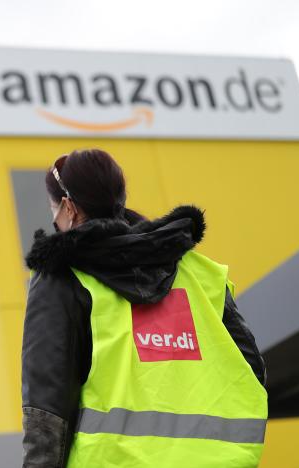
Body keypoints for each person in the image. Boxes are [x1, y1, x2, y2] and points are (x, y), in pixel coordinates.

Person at [21, 149, 268, 467]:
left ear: (68, 208)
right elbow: (252, 369)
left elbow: (46, 408)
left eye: (54, 210)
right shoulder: (197, 270)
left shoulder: (61, 277)